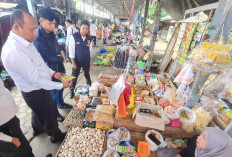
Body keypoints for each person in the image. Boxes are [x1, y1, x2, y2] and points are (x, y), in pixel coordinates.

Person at [1, 9, 71, 144]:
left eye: (35, 29)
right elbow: (36, 80)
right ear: (16, 27)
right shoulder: (14, 51)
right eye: (32, 30)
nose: (35, 33)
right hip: (35, 91)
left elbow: (40, 64)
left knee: (40, 112)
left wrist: (53, 73)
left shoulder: (26, 42)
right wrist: (61, 84)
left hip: (40, 87)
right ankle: (55, 136)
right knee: (48, 114)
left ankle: (37, 129)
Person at [34, 8, 72, 123]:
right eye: (49, 23)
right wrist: (61, 58)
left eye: (54, 23)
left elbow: (57, 46)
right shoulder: (38, 39)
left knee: (62, 86)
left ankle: (61, 103)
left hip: (59, 66)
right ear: (41, 21)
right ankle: (55, 113)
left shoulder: (51, 33)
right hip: (51, 69)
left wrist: (61, 53)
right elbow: (45, 58)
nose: (52, 26)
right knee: (54, 92)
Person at [69, 20, 92, 98]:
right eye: (83, 28)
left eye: (87, 29)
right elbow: (71, 51)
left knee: (87, 74)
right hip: (77, 61)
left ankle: (90, 87)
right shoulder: (74, 36)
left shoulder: (89, 38)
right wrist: (73, 63)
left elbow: (89, 49)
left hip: (86, 60)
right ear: (80, 27)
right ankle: (71, 90)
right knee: (74, 76)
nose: (85, 30)